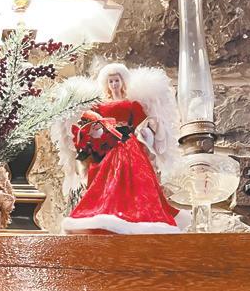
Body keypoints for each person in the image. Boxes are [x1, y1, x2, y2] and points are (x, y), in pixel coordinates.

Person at [62, 63, 191, 234]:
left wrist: (151, 128)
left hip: (129, 142)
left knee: (136, 174)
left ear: (122, 82)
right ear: (106, 84)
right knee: (107, 176)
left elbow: (142, 123)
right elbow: (89, 125)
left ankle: (136, 212)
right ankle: (108, 210)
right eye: (111, 81)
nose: (114, 84)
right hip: (107, 144)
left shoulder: (132, 105)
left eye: (116, 80)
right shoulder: (99, 106)